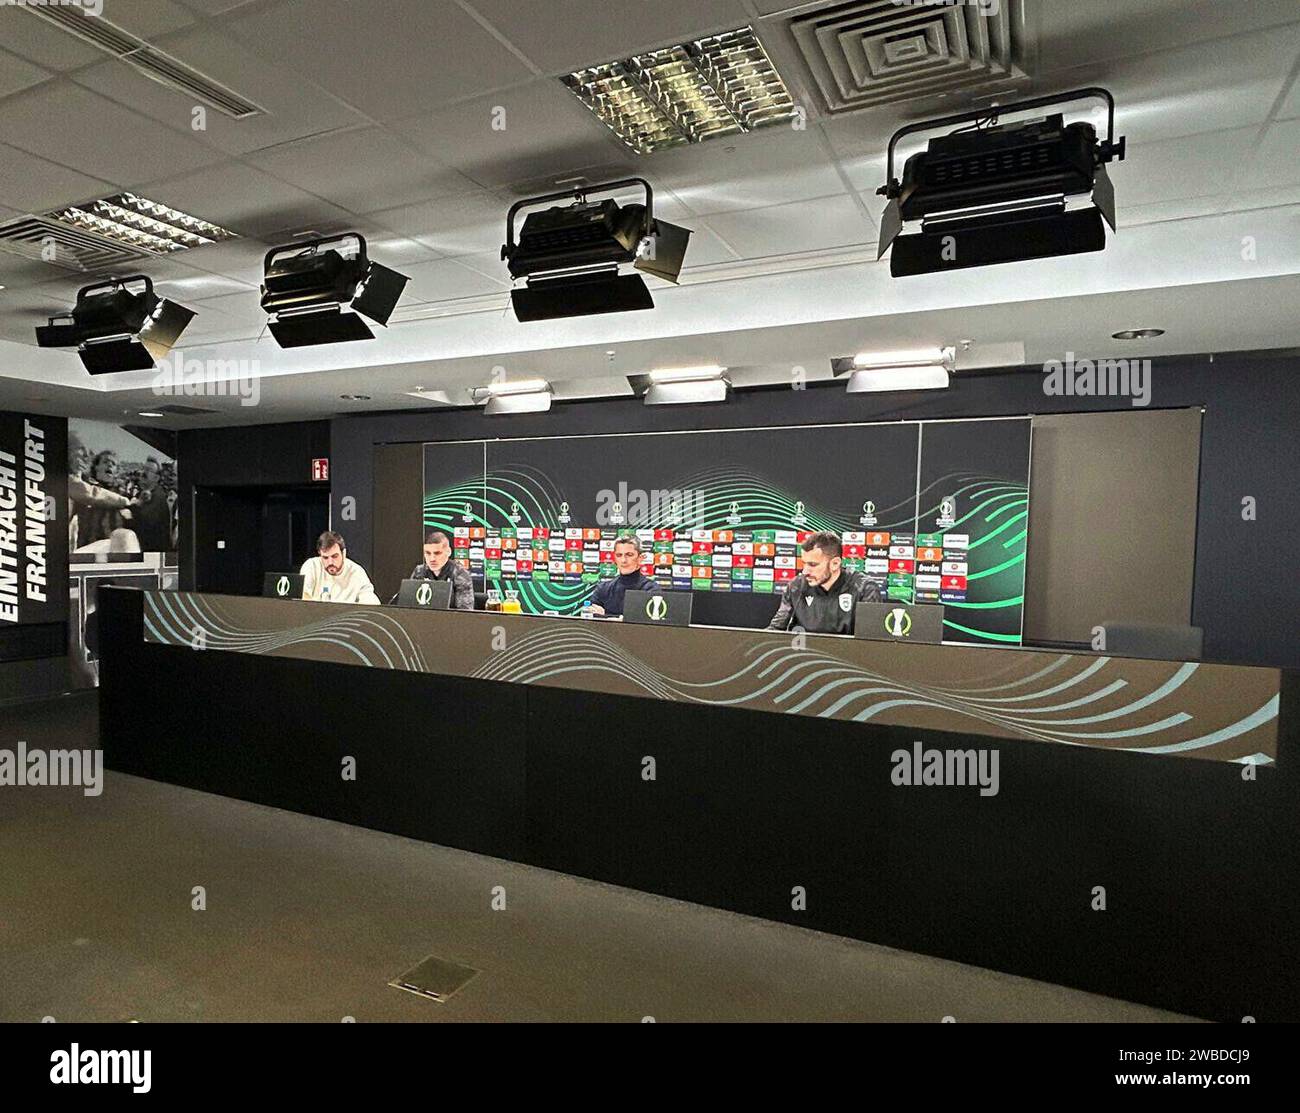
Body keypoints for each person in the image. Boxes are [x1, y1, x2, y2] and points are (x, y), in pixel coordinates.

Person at [766, 530, 881, 634]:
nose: (805, 571)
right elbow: (774, 630)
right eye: (804, 563)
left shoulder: (865, 589)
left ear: (835, 564)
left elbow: (869, 642)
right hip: (804, 653)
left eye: (813, 564)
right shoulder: (796, 586)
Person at [587, 534, 660, 617]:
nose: (623, 560)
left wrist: (605, 616)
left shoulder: (650, 589)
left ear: (640, 558)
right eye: (619, 555)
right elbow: (591, 621)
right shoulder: (603, 588)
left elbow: (645, 623)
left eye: (629, 555)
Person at [300, 530, 381, 605]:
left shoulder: (356, 572)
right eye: (325, 558)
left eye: (334, 556)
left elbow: (370, 600)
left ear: (344, 553)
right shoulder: (311, 566)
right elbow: (302, 596)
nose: (330, 562)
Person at [408, 529, 474, 609]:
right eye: (428, 553)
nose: (432, 559)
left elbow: (464, 612)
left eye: (437, 553)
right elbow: (408, 606)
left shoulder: (460, 573)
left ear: (448, 552)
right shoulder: (419, 571)